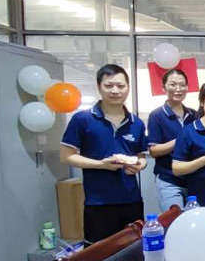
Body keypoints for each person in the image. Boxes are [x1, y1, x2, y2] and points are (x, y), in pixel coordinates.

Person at [60, 64, 147, 244]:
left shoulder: (136, 123)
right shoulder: (82, 119)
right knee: (98, 253)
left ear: (128, 88)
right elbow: (66, 155)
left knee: (133, 250)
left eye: (121, 86)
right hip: (98, 202)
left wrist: (140, 165)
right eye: (109, 85)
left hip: (131, 199)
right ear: (99, 87)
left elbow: (141, 155)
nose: (115, 90)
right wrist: (101, 165)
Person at [147, 69, 196, 211]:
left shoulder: (193, 115)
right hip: (168, 179)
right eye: (173, 84)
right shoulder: (156, 115)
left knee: (192, 220)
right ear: (164, 88)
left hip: (193, 180)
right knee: (174, 219)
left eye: (182, 85)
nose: (178, 89)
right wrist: (181, 140)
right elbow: (154, 151)